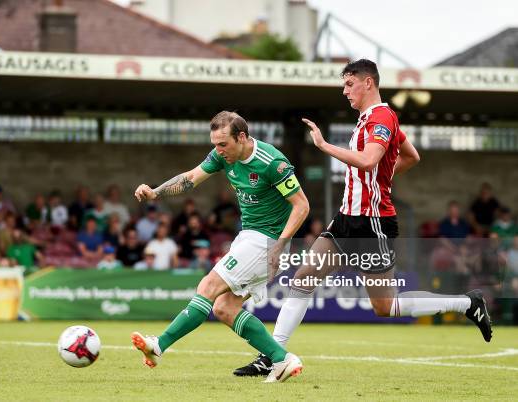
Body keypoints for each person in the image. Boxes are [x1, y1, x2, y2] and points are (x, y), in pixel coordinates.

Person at [234, 59, 493, 377]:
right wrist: (384, 177)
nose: (344, 91)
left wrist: (325, 146)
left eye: (349, 83)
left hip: (372, 223)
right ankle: (272, 356)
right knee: (302, 280)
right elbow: (411, 156)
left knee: (385, 307)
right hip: (347, 219)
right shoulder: (369, 119)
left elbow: (370, 161)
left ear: (368, 82)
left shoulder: (382, 117)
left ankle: (467, 304)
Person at [131, 110, 310, 383]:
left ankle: (159, 345)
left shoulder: (271, 162)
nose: (218, 150)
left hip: (266, 241)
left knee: (208, 287)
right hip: (250, 238)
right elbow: (190, 178)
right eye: (215, 144)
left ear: (242, 137)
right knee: (225, 309)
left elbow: (302, 205)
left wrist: (279, 246)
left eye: (223, 144)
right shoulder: (221, 156)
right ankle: (281, 359)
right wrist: (155, 192)